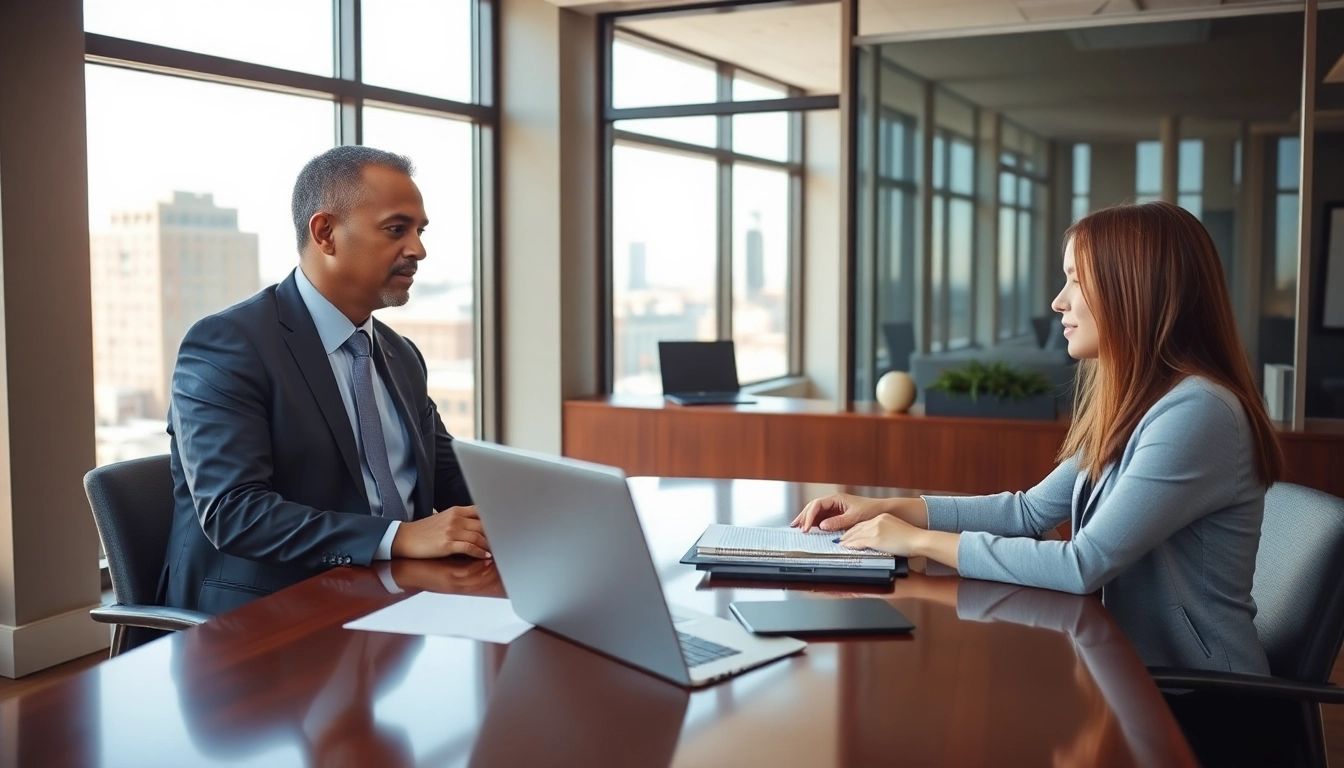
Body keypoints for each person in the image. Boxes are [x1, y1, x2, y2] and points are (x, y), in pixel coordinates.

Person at [794, 201, 1283, 676]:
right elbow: (1028, 513)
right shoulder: (1140, 404)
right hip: (1133, 674)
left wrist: (919, 541)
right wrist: (885, 509)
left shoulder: (1198, 412)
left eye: (1076, 279)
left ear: (1135, 290)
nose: (1058, 301)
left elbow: (1083, 564)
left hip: (1205, 699)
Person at [160, 146, 491, 616]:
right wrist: (398, 537)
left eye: (419, 231)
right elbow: (235, 512)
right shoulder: (228, 345)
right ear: (326, 233)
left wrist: (539, 512)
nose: (418, 249)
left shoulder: (399, 353)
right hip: (268, 613)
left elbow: (443, 472)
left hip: (393, 594)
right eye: (397, 229)